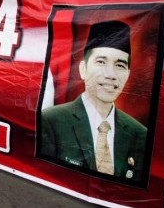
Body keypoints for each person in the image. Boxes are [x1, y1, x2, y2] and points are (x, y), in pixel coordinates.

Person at [38, 20, 147, 182]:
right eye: (101, 62)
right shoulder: (51, 120)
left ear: (128, 74)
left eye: (120, 65)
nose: (110, 74)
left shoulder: (139, 133)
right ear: (83, 69)